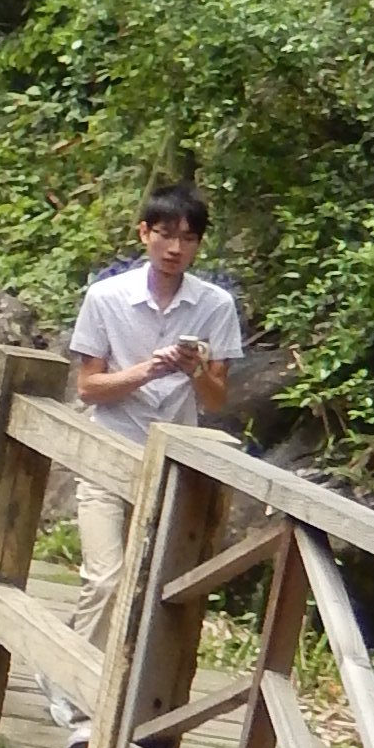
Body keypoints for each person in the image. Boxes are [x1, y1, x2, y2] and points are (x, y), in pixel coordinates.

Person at [63, 181, 243, 655]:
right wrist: (148, 370)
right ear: (144, 234)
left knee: (158, 585)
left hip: (174, 459)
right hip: (111, 446)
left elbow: (217, 398)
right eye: (166, 235)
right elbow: (88, 386)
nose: (175, 248)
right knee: (106, 578)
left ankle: (113, 688)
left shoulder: (215, 305)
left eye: (188, 239)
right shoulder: (106, 297)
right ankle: (73, 691)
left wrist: (194, 368)